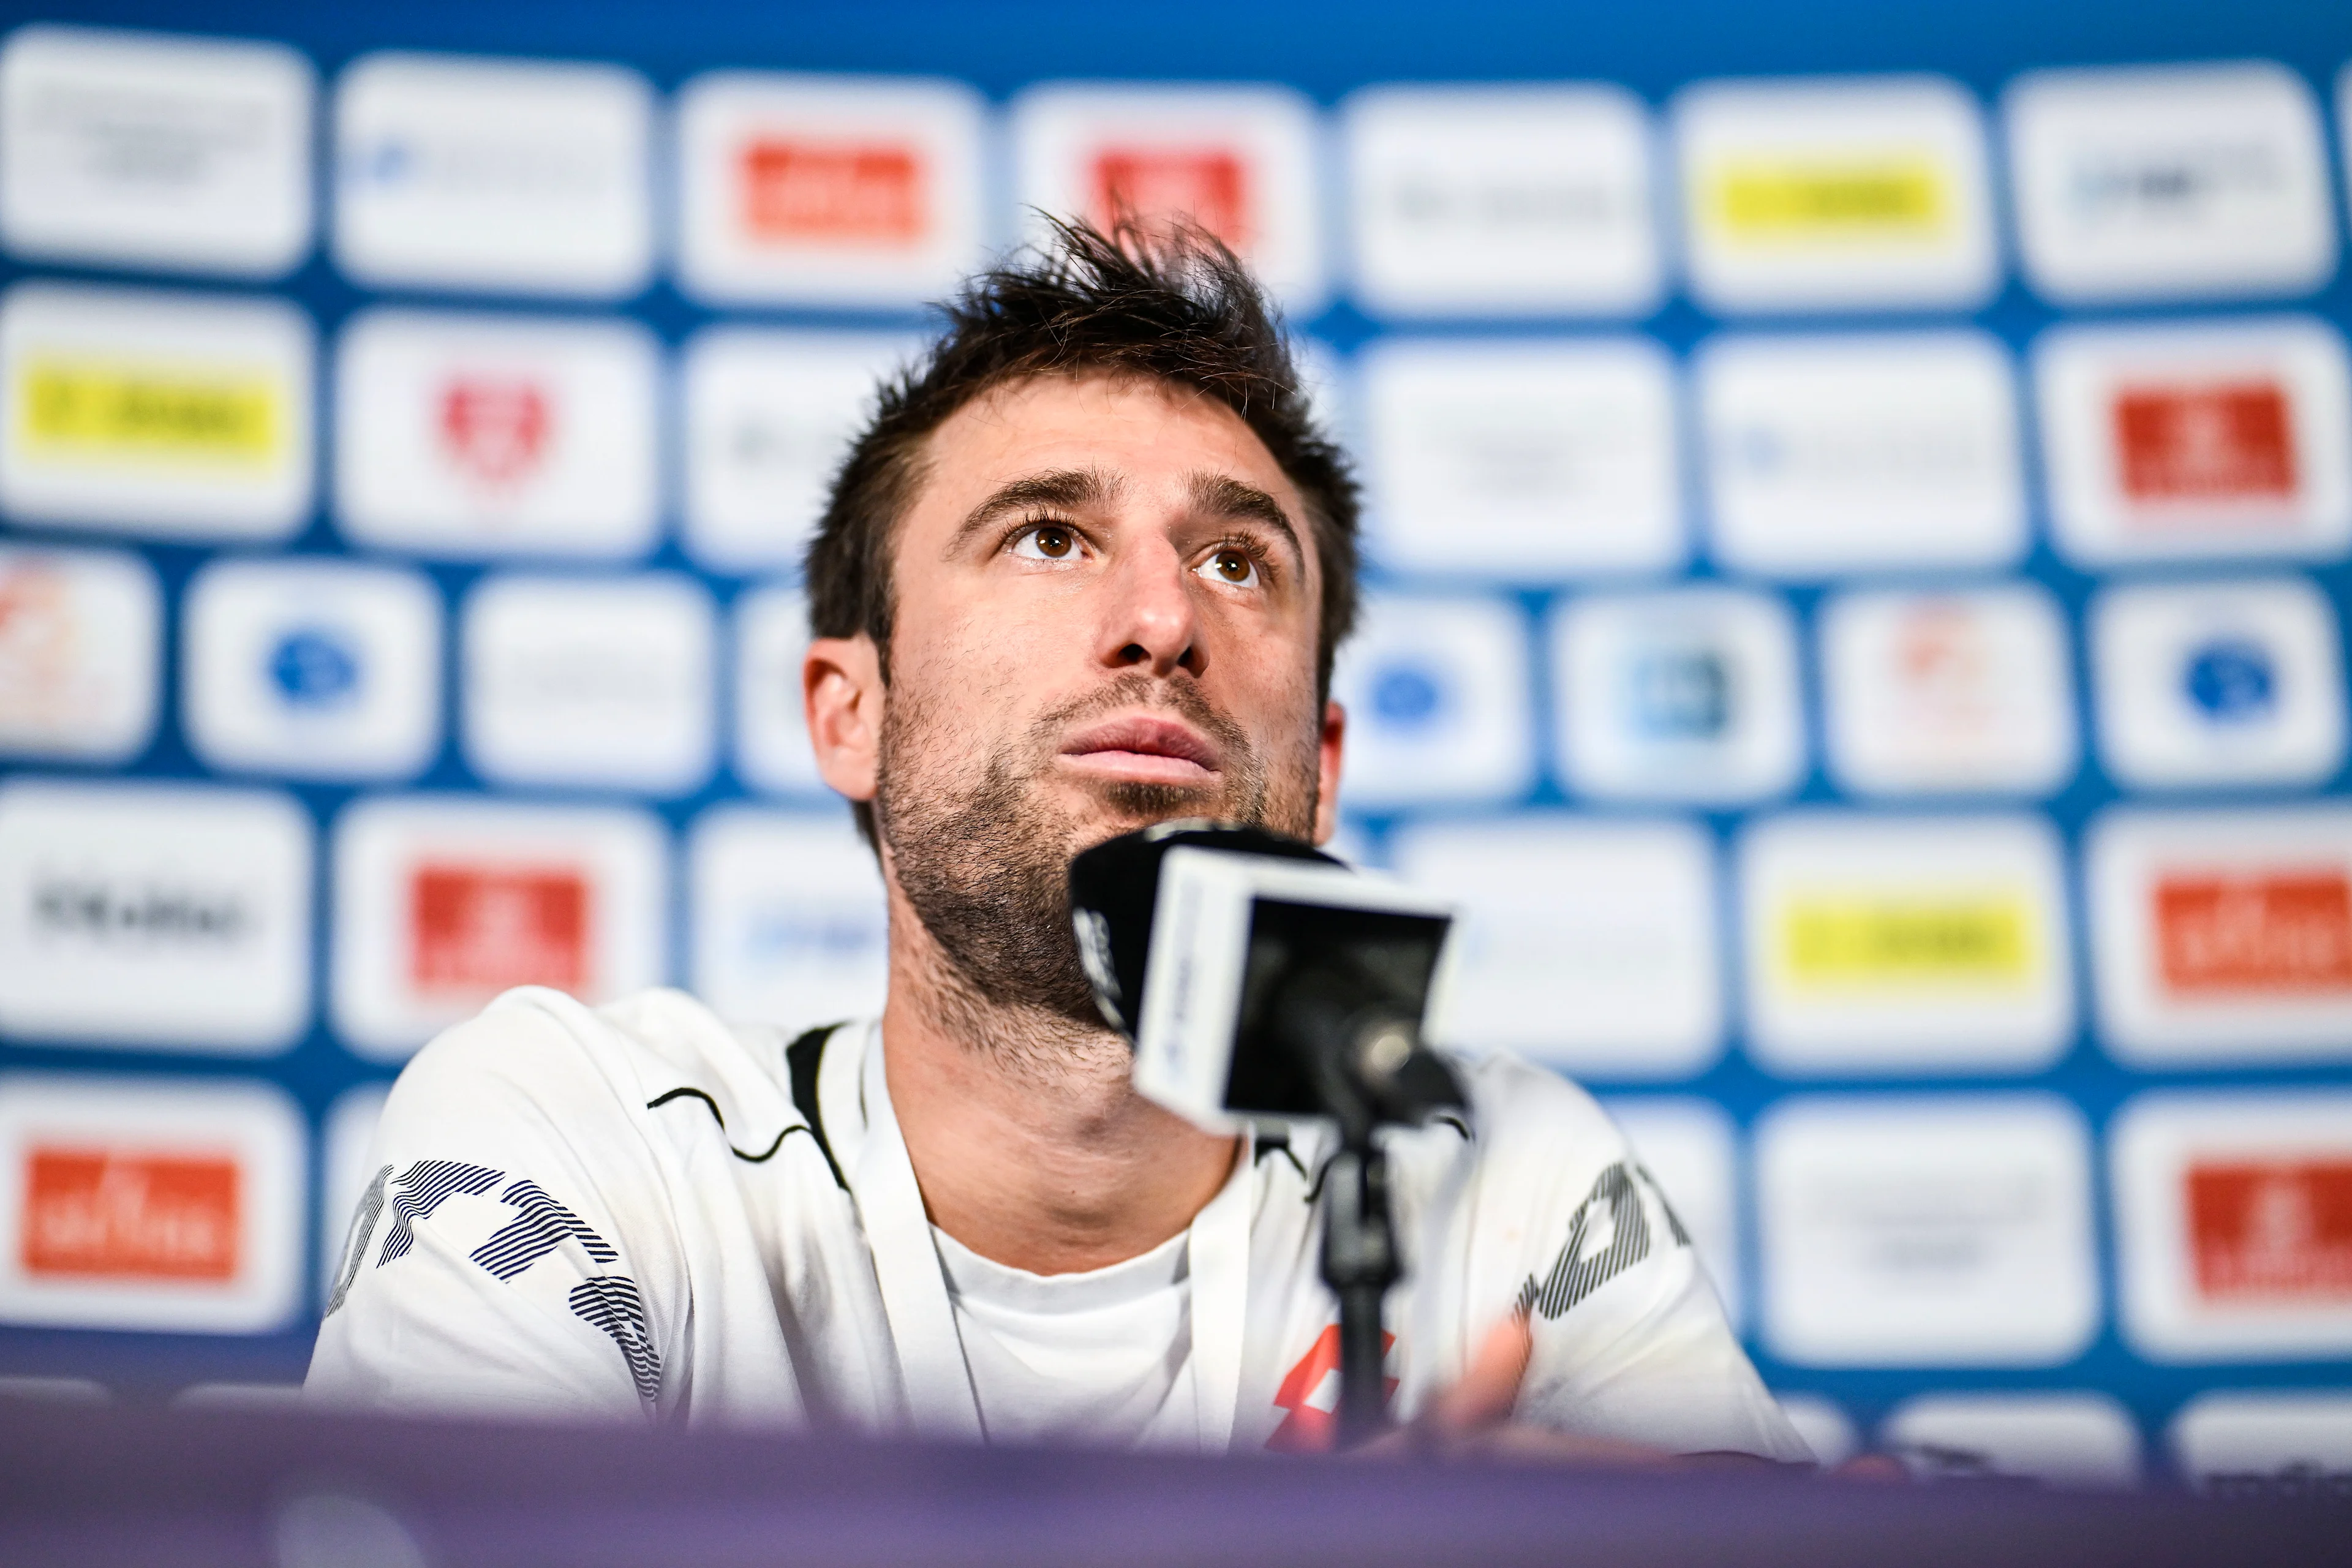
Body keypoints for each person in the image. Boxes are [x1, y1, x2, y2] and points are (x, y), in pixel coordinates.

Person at [306, 218, 1811, 1464]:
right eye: (1049, 534)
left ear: (1324, 765)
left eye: (1237, 560)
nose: (1162, 620)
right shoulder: (588, 1136)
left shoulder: (1506, 1174)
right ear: (850, 711)